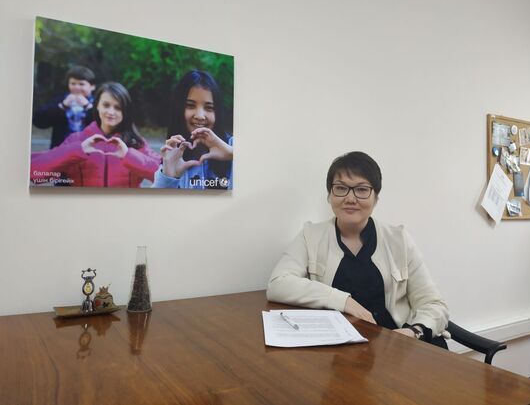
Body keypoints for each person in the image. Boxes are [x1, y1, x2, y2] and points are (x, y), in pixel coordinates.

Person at [267, 151, 449, 347]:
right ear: (329, 195)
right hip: (339, 348)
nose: (350, 198)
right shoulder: (310, 235)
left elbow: (433, 304)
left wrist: (413, 331)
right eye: (340, 188)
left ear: (376, 197)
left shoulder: (399, 239)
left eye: (362, 190)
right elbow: (278, 284)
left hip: (396, 346)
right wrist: (343, 301)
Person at [30, 82, 161, 188]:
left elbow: (165, 176)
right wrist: (77, 151)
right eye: (106, 105)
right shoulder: (76, 140)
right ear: (97, 105)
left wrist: (129, 156)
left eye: (118, 107)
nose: (111, 112)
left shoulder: (136, 143)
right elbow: (34, 174)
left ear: (125, 111)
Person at [152, 70, 233, 189]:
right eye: (190, 106)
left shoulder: (233, 147)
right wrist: (168, 177)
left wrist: (232, 154)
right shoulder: (172, 156)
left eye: (209, 108)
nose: (200, 116)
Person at [33, 65, 96, 148]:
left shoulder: (98, 102)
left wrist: (88, 106)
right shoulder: (61, 100)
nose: (76, 87)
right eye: (73, 83)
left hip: (90, 149)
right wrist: (63, 106)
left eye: (81, 84)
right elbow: (38, 121)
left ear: (92, 86)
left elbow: (102, 125)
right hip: (62, 149)